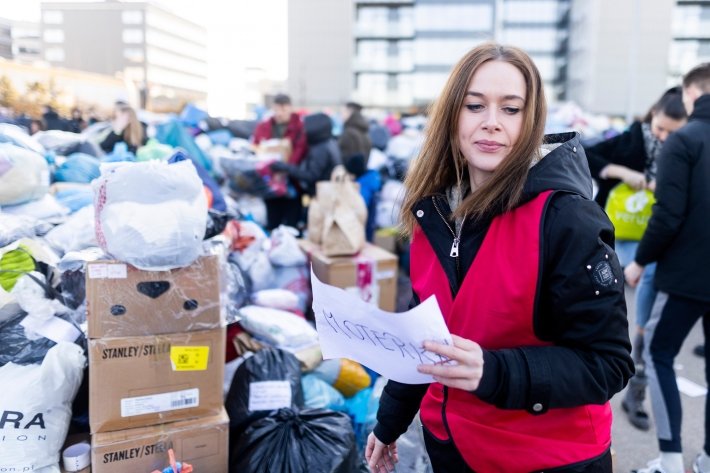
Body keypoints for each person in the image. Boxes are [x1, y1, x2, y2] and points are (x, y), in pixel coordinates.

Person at [365, 42, 633, 473]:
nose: (491, 123)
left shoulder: (567, 218)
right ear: (452, 117)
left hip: (546, 457)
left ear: (530, 121)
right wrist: (389, 423)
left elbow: (608, 363)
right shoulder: (431, 210)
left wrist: (494, 371)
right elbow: (424, 335)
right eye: (475, 106)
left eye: (511, 109)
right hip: (452, 446)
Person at [625, 63, 710, 473]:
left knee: (659, 352)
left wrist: (639, 260)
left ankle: (671, 459)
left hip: (688, 274)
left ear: (692, 94)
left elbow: (668, 215)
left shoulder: (685, 140)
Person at [586, 88, 687, 431]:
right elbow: (585, 156)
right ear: (652, 115)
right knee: (607, 308)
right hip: (619, 236)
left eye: (673, 131)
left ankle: (636, 391)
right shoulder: (633, 138)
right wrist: (620, 171)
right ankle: (599, 383)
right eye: (660, 128)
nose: (664, 136)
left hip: (660, 242)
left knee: (645, 314)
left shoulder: (689, 149)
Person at [252, 93, 308, 230]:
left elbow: (301, 150)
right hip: (269, 182)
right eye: (276, 109)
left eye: (283, 109)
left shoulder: (300, 127)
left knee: (291, 225)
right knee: (272, 222)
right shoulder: (264, 126)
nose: (279, 113)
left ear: (290, 108)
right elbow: (256, 146)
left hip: (292, 182)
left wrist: (286, 168)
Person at [270, 112, 341, 197]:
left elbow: (311, 175)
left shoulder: (321, 149)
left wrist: (286, 167)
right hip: (326, 192)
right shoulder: (328, 142)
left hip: (321, 194)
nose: (304, 130)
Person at [344, 153, 381, 242]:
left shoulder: (363, 187)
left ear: (355, 173)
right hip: (369, 226)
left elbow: (359, 207)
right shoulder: (370, 178)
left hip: (364, 228)